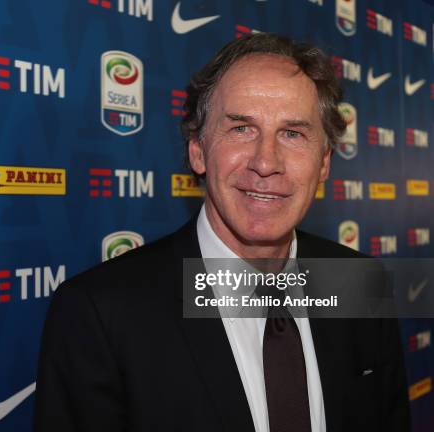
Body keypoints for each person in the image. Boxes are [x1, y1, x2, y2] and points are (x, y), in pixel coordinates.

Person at [34, 33, 410, 432]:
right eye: (241, 129)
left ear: (324, 164)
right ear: (197, 149)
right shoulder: (98, 314)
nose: (266, 162)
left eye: (293, 134)